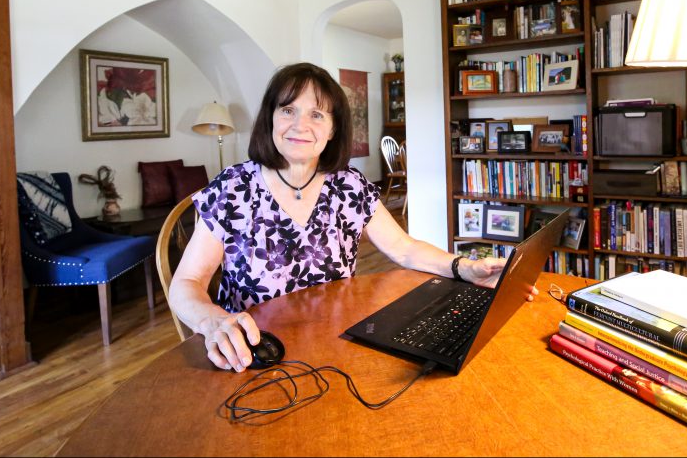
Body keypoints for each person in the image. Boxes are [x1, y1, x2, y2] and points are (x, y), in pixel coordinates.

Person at [169, 63, 534, 373]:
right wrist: (213, 320)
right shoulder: (233, 187)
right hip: (254, 353)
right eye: (287, 110)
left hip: (337, 343)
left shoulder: (349, 185)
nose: (300, 124)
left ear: (332, 129)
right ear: (270, 119)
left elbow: (404, 249)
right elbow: (186, 281)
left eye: (316, 113)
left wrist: (463, 267)